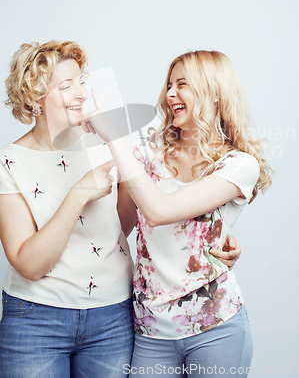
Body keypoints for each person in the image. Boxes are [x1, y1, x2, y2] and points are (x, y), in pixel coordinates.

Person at [0, 42, 241, 378]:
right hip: (37, 319)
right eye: (65, 85)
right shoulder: (10, 161)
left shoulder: (115, 147)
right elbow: (30, 264)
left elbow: (147, 212)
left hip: (112, 316)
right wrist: (79, 193)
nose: (81, 93)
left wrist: (214, 238)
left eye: (81, 82)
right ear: (33, 96)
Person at [82, 50, 272, 378]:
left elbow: (159, 211)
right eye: (169, 85)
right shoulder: (145, 156)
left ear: (215, 93)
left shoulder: (239, 165)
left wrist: (113, 134)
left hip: (215, 326)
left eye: (182, 84)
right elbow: (117, 231)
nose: (170, 94)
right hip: (151, 330)